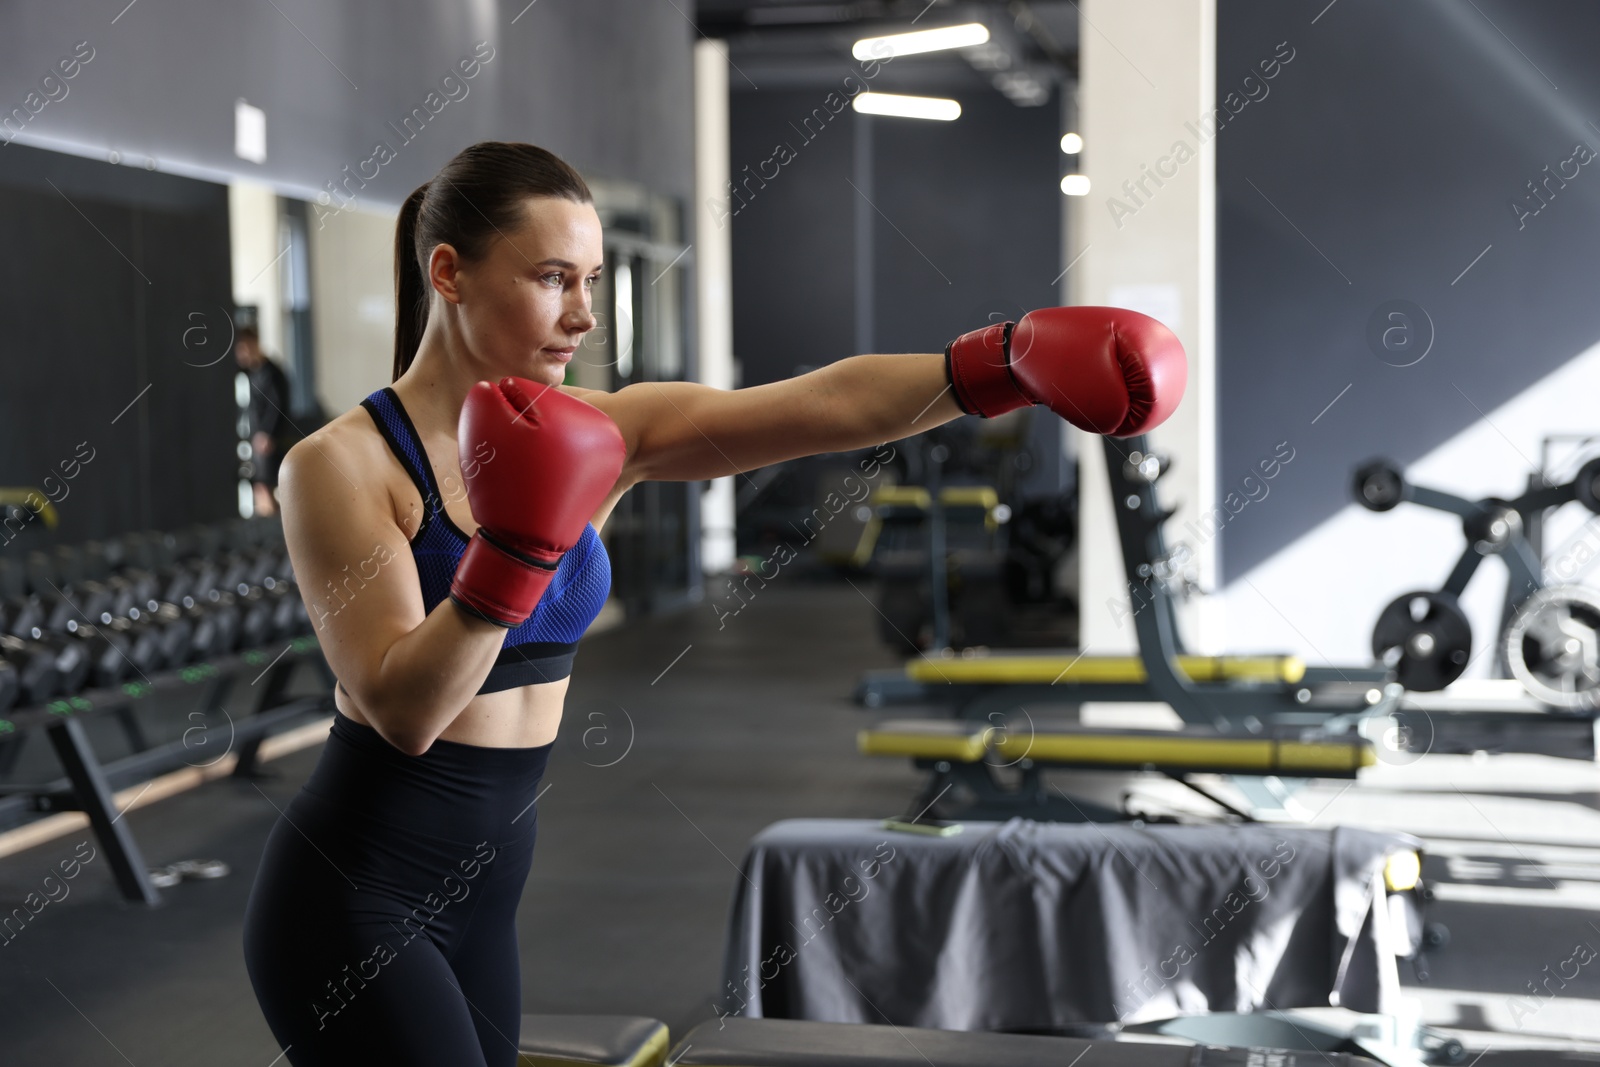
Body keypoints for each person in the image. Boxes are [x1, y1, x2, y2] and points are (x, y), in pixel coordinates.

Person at [240, 140, 1186, 1066]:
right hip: (352, 900)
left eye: (594, 283)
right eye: (552, 279)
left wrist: (998, 364)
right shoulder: (342, 465)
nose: (583, 317)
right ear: (449, 272)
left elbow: (820, 406)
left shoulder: (601, 433)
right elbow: (406, 709)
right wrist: (515, 548)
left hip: (486, 908)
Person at [235, 324, 292, 517]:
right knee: (260, 486)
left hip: (268, 441)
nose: (241, 354)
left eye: (243, 347)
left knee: (265, 486)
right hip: (259, 440)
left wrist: (268, 434)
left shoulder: (273, 373)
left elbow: (277, 407)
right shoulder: (253, 373)